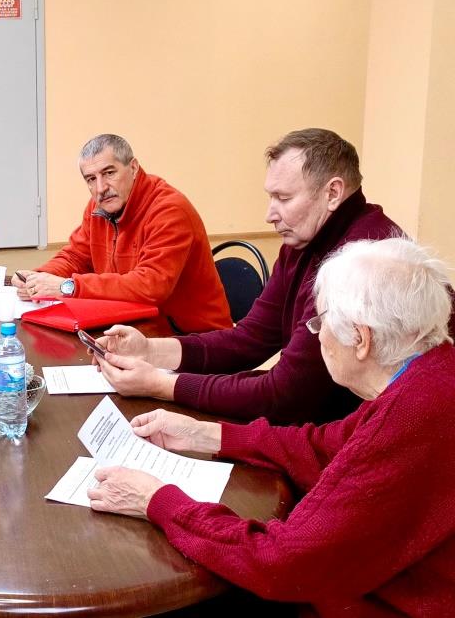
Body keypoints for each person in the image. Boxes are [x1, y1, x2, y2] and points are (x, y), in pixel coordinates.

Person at [89, 238, 455, 616]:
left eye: (320, 322)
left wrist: (155, 500)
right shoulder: (431, 371)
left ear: (361, 340)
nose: (317, 335)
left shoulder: (411, 417)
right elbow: (327, 445)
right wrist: (208, 434)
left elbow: (281, 563)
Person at [93, 129, 403, 424]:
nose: (270, 215)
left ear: (332, 193)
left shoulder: (364, 260)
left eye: (283, 198)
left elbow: (285, 394)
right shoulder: (305, 239)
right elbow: (250, 339)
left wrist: (160, 384)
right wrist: (149, 351)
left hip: (349, 439)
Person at [12, 134, 231, 335]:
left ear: (133, 168)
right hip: (133, 325)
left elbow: (151, 286)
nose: (101, 188)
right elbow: (75, 256)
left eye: (109, 173)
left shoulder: (169, 210)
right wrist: (37, 278)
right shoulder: (98, 208)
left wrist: (67, 287)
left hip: (194, 338)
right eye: (91, 179)